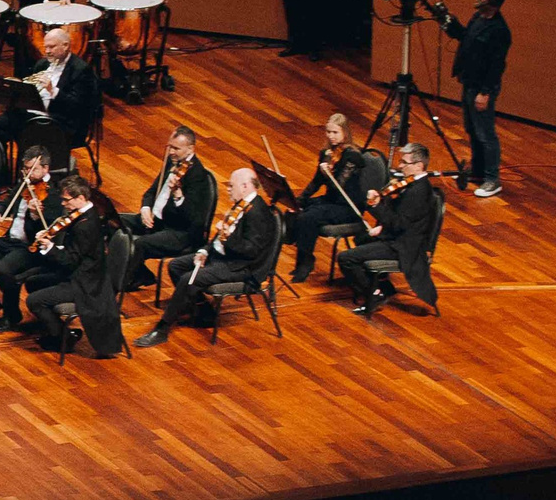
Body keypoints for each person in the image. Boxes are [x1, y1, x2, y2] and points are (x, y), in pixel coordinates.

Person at [136, 168, 280, 347]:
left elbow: (250, 251)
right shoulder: (241, 204)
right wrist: (205, 250)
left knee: (190, 279)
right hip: (222, 256)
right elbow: (219, 238)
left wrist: (228, 237)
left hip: (240, 267)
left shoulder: (257, 213)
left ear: (245, 186)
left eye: (231, 185)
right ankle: (205, 311)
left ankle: (162, 328)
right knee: (176, 266)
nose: (228, 188)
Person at [338, 144, 441, 316]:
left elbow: (398, 224)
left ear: (418, 166)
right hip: (399, 237)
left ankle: (374, 293)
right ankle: (384, 286)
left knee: (346, 258)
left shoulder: (418, 192)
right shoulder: (413, 185)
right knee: (361, 238)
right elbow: (399, 216)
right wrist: (381, 221)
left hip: (403, 246)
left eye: (404, 162)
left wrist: (377, 205)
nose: (400, 166)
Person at [24, 176, 115, 355]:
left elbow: (70, 261)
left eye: (66, 200)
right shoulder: (85, 215)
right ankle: (53, 327)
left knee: (33, 300)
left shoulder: (85, 225)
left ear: (81, 198)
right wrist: (53, 243)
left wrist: (49, 247)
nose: (63, 204)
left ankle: (63, 336)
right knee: (33, 282)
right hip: (80, 273)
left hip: (85, 283)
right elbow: (76, 252)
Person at [437, 0, 509, 198]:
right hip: (469, 83)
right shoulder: (478, 18)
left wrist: (485, 93)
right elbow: (465, 37)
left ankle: (491, 179)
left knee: (486, 134)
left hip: (481, 88)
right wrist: (448, 21)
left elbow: (497, 66)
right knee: (472, 129)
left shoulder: (500, 31)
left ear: (494, 0)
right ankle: (477, 171)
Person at [0, 147, 60, 327]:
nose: (27, 173)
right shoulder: (25, 183)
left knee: (3, 270)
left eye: (32, 169)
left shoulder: (54, 194)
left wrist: (36, 216)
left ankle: (12, 313)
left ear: (46, 169)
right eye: (25, 168)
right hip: (8, 240)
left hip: (29, 246)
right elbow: (7, 201)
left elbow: (51, 227)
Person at [286, 112, 377, 277]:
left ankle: (305, 263)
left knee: (308, 218)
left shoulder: (353, 157)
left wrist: (328, 173)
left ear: (345, 133)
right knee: (294, 209)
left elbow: (339, 185)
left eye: (335, 133)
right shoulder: (327, 153)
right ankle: (297, 246)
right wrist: (300, 200)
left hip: (348, 206)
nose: (331, 136)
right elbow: (316, 181)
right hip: (331, 201)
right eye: (329, 132)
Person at [128, 127, 217, 291]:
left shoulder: (198, 177)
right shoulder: (172, 162)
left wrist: (178, 196)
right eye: (170, 147)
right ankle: (141, 274)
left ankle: (126, 280)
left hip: (180, 232)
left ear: (190, 149)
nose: (171, 152)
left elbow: (193, 218)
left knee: (140, 244)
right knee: (112, 220)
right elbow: (151, 192)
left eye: (176, 148)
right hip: (157, 220)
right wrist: (146, 208)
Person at [0, 28, 98, 153]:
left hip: (60, 121)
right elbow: (32, 91)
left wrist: (53, 90)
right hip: (33, 115)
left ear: (65, 46)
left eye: (52, 47)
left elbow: (77, 107)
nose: (47, 51)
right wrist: (20, 88)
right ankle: (2, 168)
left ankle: (32, 167)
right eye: (46, 47)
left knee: (29, 134)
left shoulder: (81, 70)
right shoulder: (43, 64)